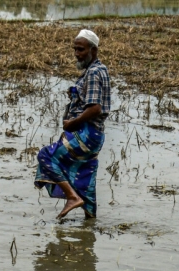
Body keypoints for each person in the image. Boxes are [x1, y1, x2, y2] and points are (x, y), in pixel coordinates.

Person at [35, 29, 110, 220]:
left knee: (46, 156)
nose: (77, 54)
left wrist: (72, 123)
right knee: (86, 180)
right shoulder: (100, 70)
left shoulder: (93, 73)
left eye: (81, 49)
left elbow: (95, 108)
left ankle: (71, 196)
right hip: (96, 136)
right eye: (75, 49)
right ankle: (89, 227)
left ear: (93, 50)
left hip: (86, 133)